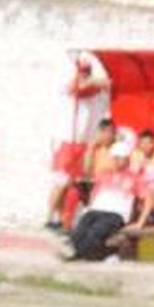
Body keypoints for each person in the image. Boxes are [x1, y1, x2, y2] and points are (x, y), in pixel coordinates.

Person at [46, 55, 109, 230]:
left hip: (84, 142)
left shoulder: (96, 92)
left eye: (87, 71)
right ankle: (51, 217)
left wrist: (92, 81)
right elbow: (76, 87)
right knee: (61, 181)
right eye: (82, 71)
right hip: (67, 139)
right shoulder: (68, 88)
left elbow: (107, 83)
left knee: (77, 184)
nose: (84, 75)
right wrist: (85, 80)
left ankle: (66, 219)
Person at [68, 140, 140, 260]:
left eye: (119, 158)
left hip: (116, 213)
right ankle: (84, 253)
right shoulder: (104, 174)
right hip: (96, 210)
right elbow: (94, 193)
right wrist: (88, 208)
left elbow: (148, 200)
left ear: (127, 159)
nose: (116, 161)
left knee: (95, 231)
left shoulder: (134, 178)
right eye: (114, 158)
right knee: (79, 231)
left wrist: (140, 222)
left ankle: (89, 254)